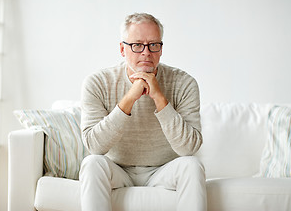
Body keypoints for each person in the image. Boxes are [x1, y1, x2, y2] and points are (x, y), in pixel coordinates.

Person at [80, 12, 206, 211]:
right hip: (117, 170)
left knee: (192, 166)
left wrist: (159, 98)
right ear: (123, 49)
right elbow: (95, 146)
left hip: (164, 170)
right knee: (92, 163)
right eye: (137, 45)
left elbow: (189, 149)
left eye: (153, 45)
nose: (146, 52)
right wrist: (130, 97)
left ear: (161, 49)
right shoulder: (97, 83)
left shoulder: (184, 83)